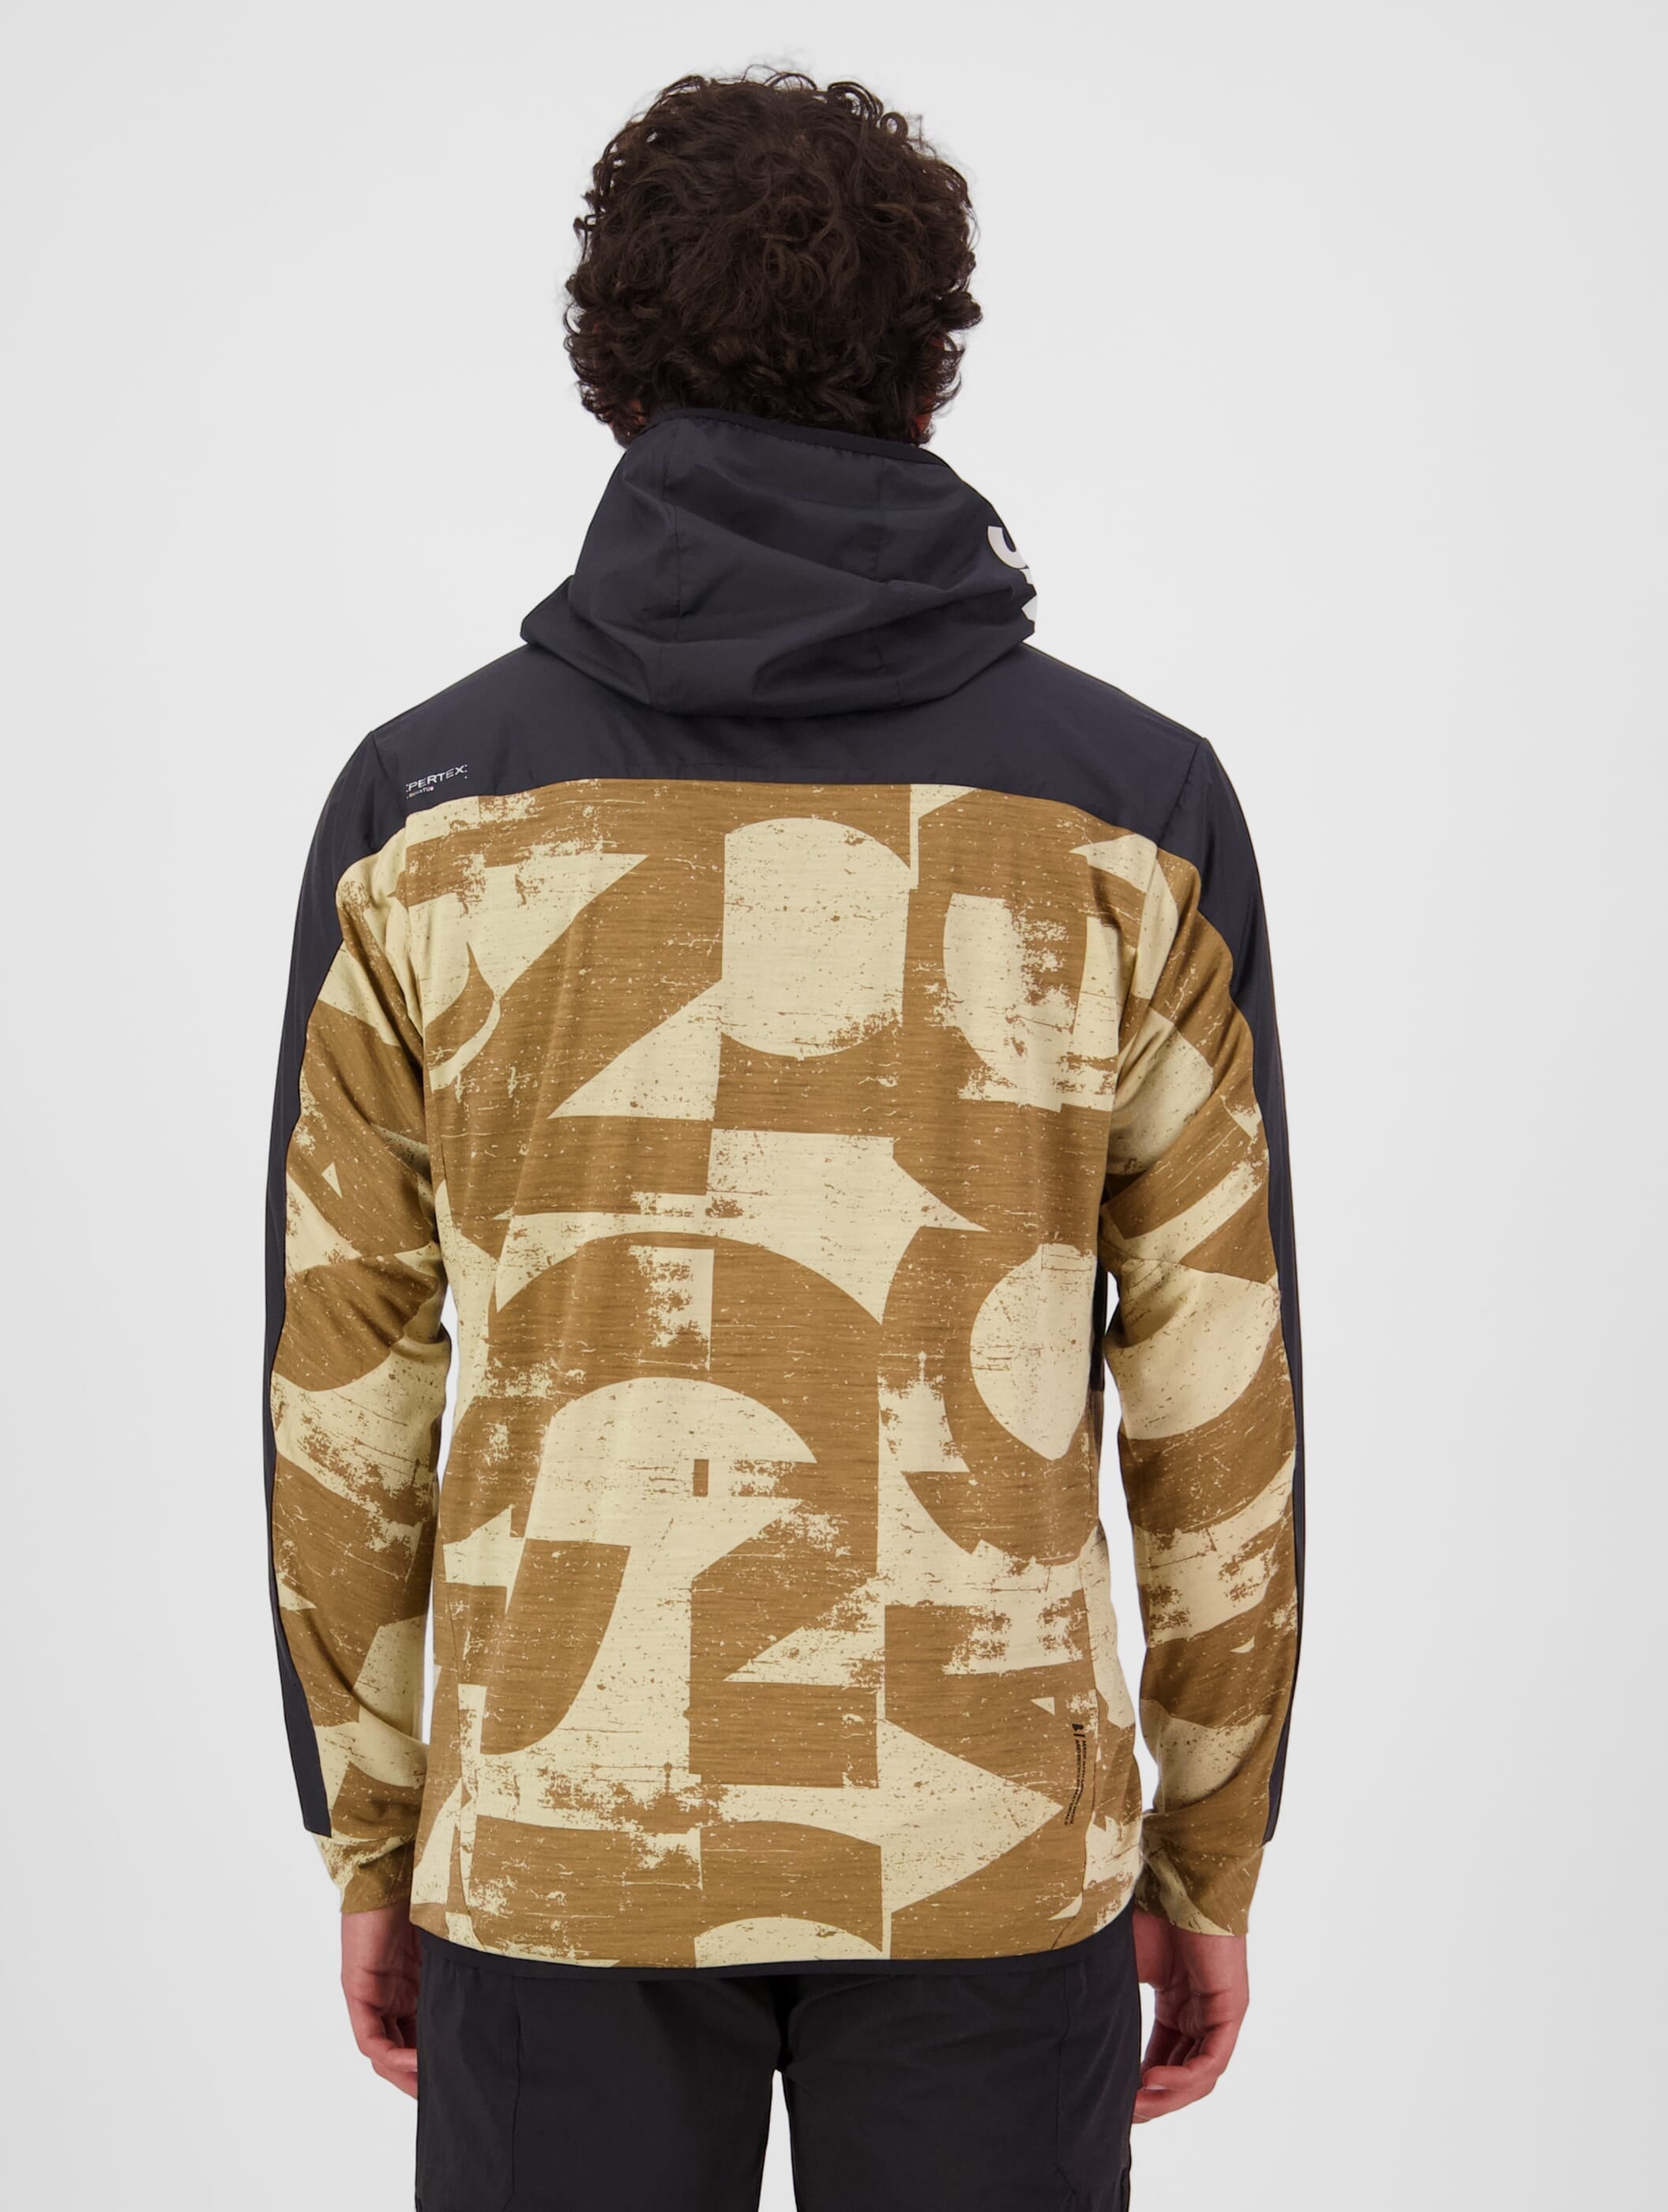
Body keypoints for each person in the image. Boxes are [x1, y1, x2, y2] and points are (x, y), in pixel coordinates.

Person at [263, 66, 1304, 2211]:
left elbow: (346, 1387)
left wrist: (378, 1830)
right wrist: (1210, 1851)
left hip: (557, 1839)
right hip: (989, 1841)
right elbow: (1220, 1400)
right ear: (930, 367)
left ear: (612, 366)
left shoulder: (429, 814)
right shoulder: (1130, 816)